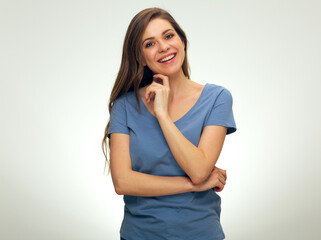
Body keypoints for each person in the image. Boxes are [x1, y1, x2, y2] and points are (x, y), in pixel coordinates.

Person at [102, 7, 237, 240]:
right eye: (149, 44)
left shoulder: (217, 98)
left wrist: (162, 114)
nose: (163, 47)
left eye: (168, 36)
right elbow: (122, 181)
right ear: (139, 57)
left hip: (201, 233)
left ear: (182, 41)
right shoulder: (124, 106)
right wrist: (194, 186)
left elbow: (198, 170)